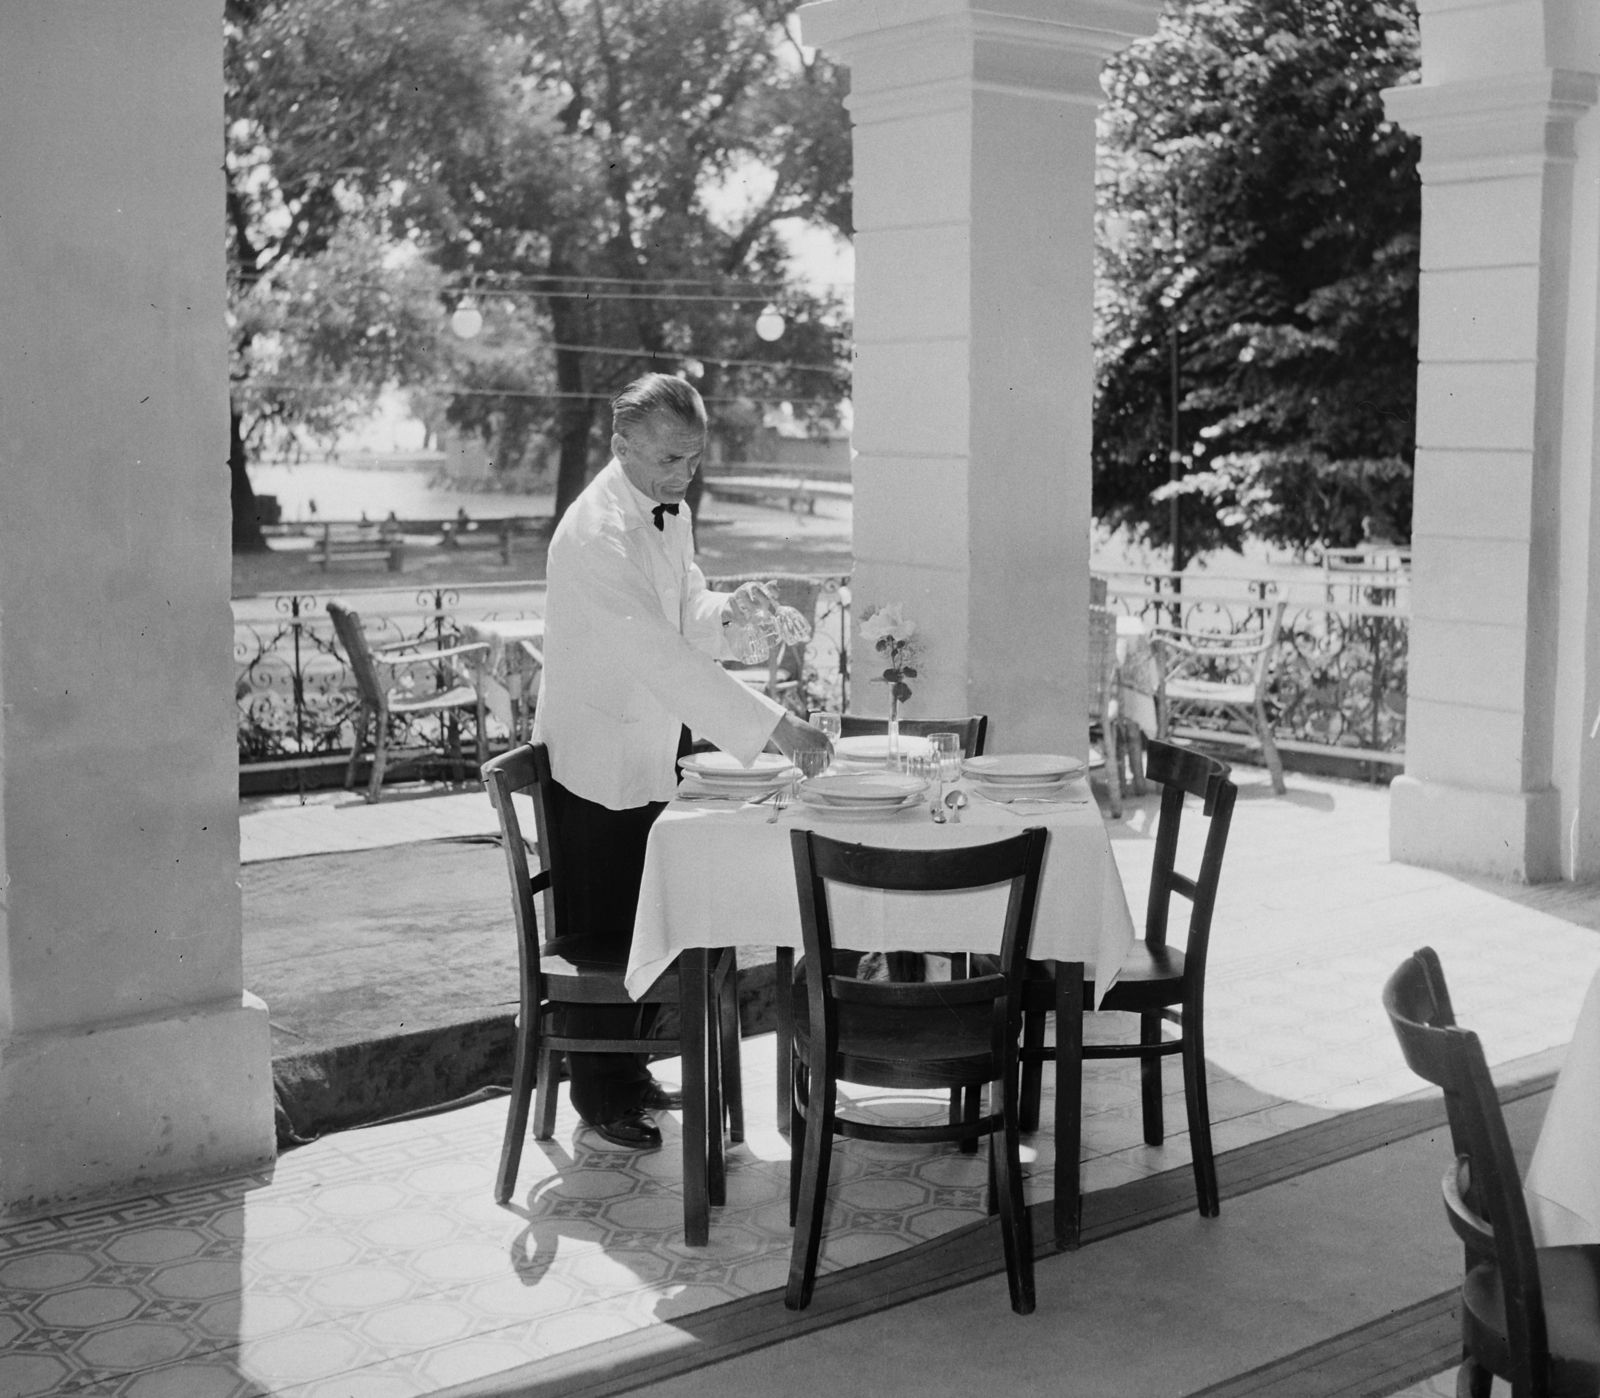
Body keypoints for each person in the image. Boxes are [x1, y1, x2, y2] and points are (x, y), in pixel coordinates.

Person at [532, 373, 829, 1149]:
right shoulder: (594, 533)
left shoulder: (671, 512)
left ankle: (627, 1073)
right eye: (670, 458)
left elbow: (686, 611)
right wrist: (780, 729)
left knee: (640, 916)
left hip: (651, 748)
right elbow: (661, 657)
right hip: (593, 755)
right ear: (620, 443)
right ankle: (600, 1100)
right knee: (603, 928)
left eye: (693, 460)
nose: (683, 475)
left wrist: (729, 612)